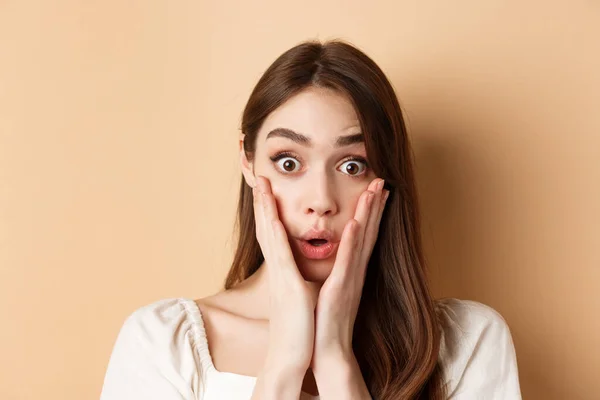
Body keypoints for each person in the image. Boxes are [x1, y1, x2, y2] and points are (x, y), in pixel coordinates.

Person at [99, 39, 522, 399]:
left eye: (352, 165)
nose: (320, 201)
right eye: (288, 162)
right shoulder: (162, 342)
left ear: (386, 177)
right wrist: (285, 359)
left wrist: (336, 358)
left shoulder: (467, 341)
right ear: (248, 162)